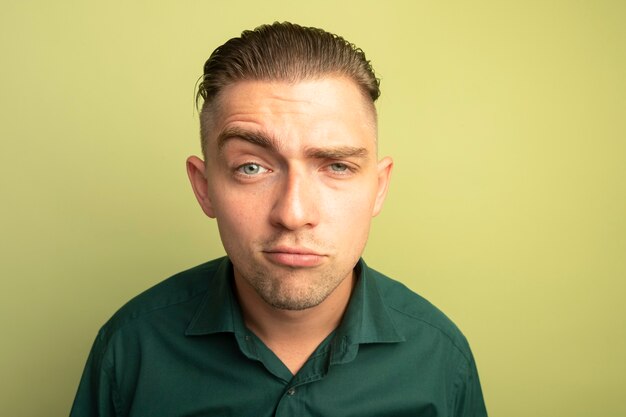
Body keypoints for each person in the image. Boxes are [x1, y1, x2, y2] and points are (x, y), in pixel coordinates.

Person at [69, 22, 488, 417]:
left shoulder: (442, 358)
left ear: (378, 188)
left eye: (337, 166)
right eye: (252, 167)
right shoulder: (129, 348)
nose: (293, 214)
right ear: (204, 186)